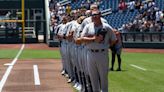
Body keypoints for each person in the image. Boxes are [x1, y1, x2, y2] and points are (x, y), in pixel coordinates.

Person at [80, 10, 116, 92]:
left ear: (100, 15)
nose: (94, 17)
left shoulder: (106, 27)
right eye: (92, 15)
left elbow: (114, 39)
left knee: (103, 77)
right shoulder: (88, 26)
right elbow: (82, 38)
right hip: (90, 53)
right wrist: (93, 39)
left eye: (96, 15)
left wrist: (107, 46)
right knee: (93, 77)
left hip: (102, 53)